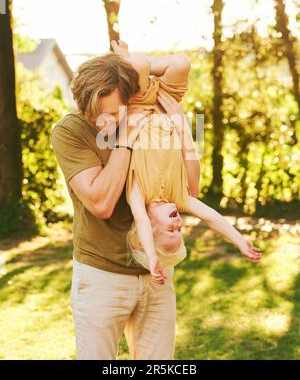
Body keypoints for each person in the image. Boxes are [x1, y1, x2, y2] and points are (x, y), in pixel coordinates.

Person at [50, 46, 193, 360]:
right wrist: (125, 136)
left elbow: (189, 191)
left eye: (114, 114)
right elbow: (100, 202)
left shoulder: (149, 114)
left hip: (154, 270)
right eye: (95, 115)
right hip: (102, 276)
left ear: (132, 98)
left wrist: (131, 67)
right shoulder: (70, 131)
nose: (103, 123)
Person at [110, 41, 262, 287]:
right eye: (180, 232)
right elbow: (212, 218)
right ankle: (139, 72)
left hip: (138, 104)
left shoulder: (136, 195)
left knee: (138, 63)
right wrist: (239, 241)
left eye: (172, 230)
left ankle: (132, 67)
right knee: (182, 63)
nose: (179, 224)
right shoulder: (181, 198)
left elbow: (140, 222)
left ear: (150, 227)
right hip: (166, 105)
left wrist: (151, 256)